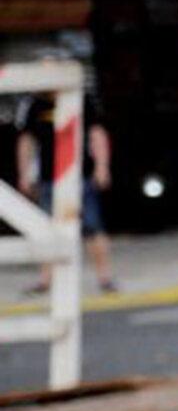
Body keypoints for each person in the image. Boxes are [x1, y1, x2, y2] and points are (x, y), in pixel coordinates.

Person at [15, 95, 117, 294]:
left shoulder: (80, 97)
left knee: (93, 227)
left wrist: (102, 166)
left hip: (81, 175)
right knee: (45, 229)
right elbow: (27, 140)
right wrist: (24, 173)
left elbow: (96, 133)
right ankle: (46, 279)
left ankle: (105, 278)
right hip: (48, 178)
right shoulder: (36, 104)